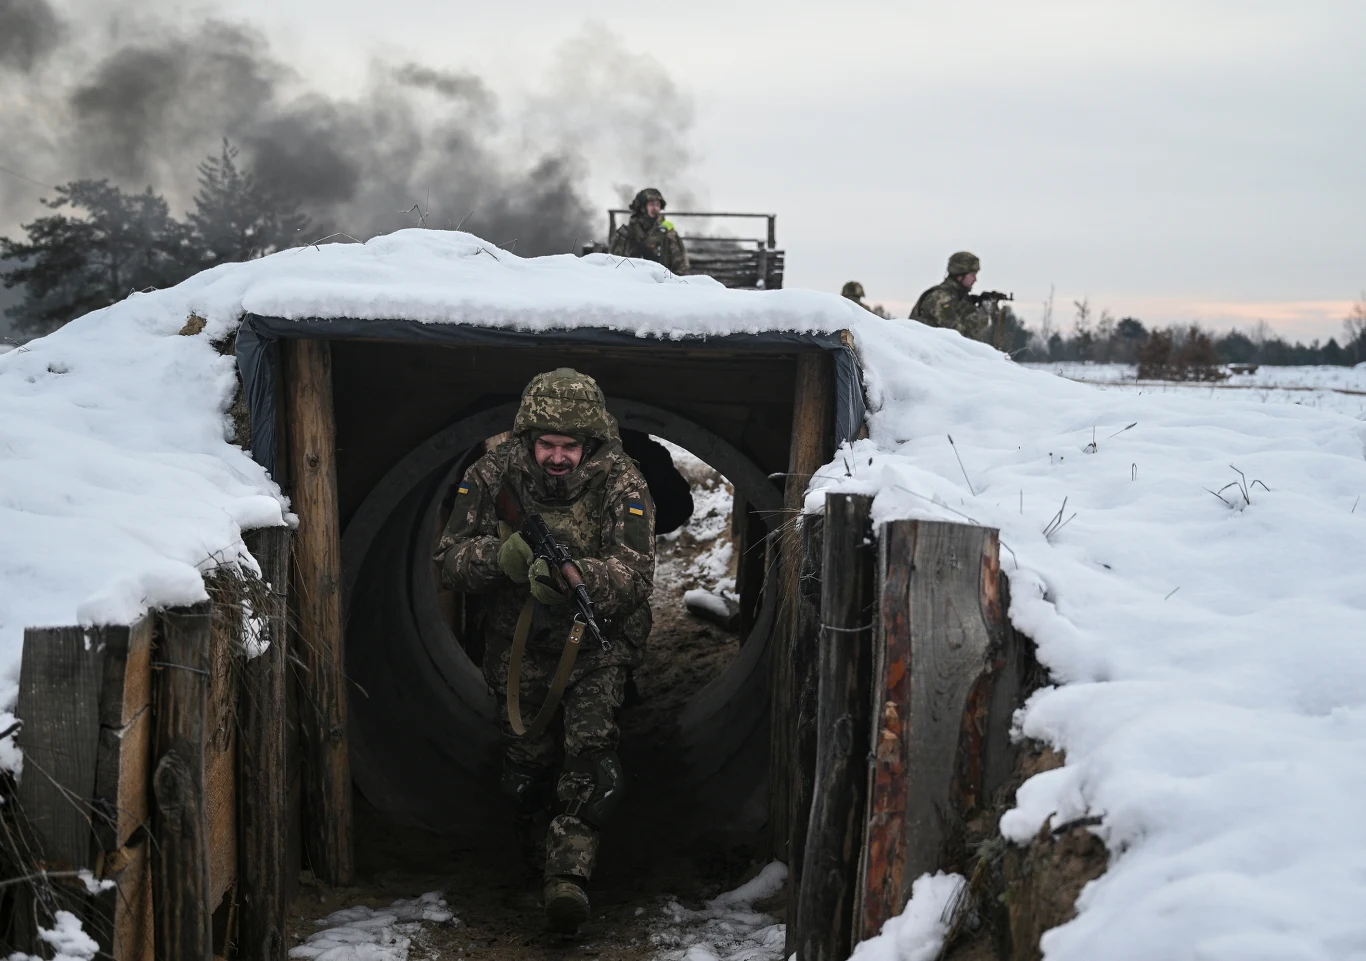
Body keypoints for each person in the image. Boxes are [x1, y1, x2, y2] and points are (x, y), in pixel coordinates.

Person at [435, 369, 655, 935]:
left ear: (590, 444)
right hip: (520, 649)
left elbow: (635, 574)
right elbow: (449, 560)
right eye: (548, 445)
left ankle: (568, 879)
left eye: (570, 446)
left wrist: (578, 578)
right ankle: (532, 852)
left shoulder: (621, 482)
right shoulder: (490, 476)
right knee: (525, 766)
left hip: (595, 644)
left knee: (591, 753)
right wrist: (503, 558)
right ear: (530, 439)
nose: (558, 457)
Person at [909, 251, 990, 340]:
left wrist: (970, 306)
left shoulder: (956, 296)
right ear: (960, 275)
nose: (975, 279)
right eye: (972, 275)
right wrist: (982, 314)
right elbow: (959, 335)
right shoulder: (941, 297)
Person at [609, 187, 689, 274]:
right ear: (642, 207)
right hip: (631, 281)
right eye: (651, 204)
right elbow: (614, 264)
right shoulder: (626, 233)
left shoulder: (667, 233)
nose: (655, 208)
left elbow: (681, 266)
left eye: (658, 205)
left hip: (660, 282)